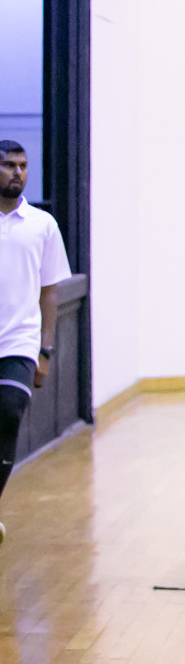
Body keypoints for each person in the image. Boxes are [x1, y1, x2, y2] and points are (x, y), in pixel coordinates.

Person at [0, 141, 72, 545]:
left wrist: (45, 350)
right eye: (9, 165)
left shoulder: (42, 225)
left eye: (23, 166)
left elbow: (49, 292)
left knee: (9, 411)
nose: (18, 172)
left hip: (19, 341)